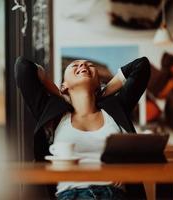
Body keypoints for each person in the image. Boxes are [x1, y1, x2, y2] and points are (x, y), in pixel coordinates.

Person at [14, 56, 151, 200]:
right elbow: (23, 67)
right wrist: (60, 93)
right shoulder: (54, 114)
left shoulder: (116, 108)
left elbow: (141, 66)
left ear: (99, 83)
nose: (83, 66)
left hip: (113, 194)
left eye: (89, 65)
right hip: (71, 195)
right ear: (64, 85)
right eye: (75, 65)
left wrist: (103, 92)